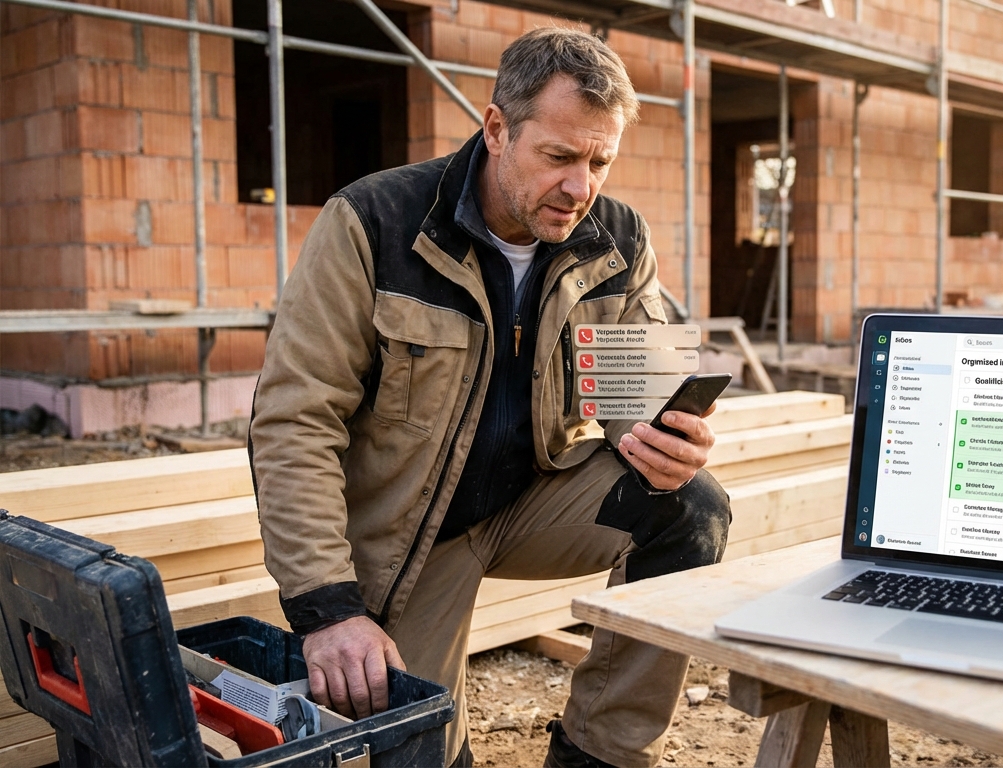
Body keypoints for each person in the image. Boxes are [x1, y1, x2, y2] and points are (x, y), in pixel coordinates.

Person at [248, 28, 732, 768]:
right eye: (560, 157)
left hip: (536, 498)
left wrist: (666, 441)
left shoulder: (617, 238)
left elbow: (639, 391)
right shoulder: (372, 225)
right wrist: (328, 609)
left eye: (601, 161)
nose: (582, 187)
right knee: (420, 753)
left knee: (692, 509)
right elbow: (294, 421)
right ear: (497, 127)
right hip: (414, 536)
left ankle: (598, 754)